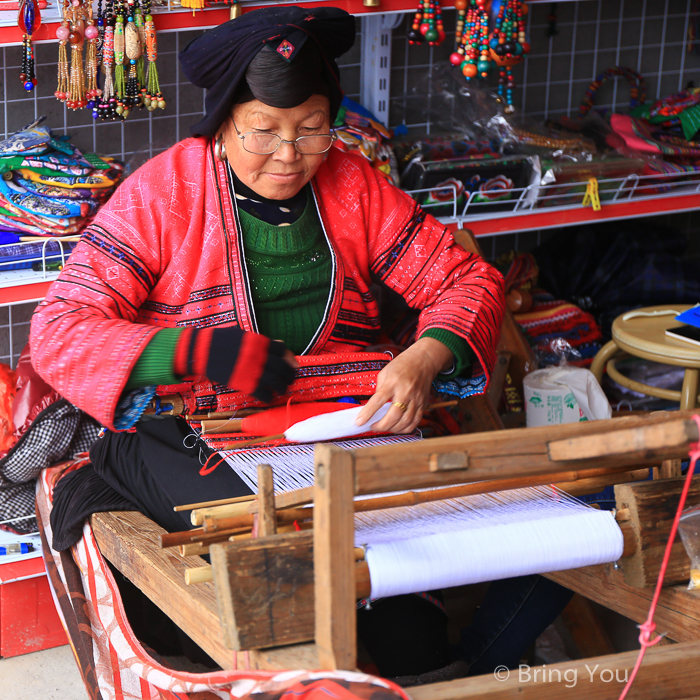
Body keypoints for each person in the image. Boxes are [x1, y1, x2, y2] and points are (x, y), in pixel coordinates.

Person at [29, 5, 571, 682]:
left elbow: (466, 281)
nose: (289, 156)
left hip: (339, 419)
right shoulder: (164, 194)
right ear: (224, 122)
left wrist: (424, 357)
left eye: (312, 130)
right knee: (276, 564)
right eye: (264, 131)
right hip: (189, 422)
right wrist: (198, 352)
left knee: (414, 629)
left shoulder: (352, 185)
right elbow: (60, 329)